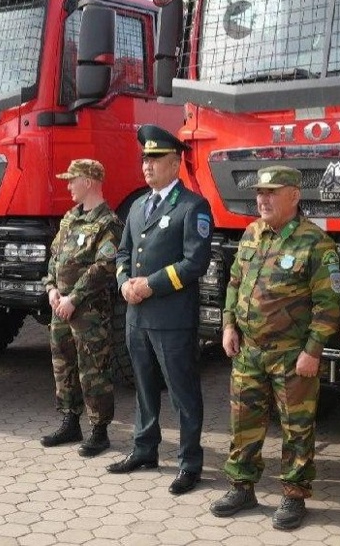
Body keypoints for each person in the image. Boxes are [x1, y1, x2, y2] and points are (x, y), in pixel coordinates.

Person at [209, 165, 340, 531]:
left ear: (294, 196)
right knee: (243, 423)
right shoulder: (252, 234)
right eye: (259, 193)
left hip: (291, 355)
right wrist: (228, 324)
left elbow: (328, 305)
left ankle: (294, 494)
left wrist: (312, 350)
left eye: (272, 192)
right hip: (248, 352)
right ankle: (241, 487)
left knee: (296, 428)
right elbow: (234, 283)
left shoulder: (316, 243)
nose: (263, 199)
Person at [108, 125, 213, 496]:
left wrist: (151, 283)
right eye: (145, 159)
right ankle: (144, 448)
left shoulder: (192, 206)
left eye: (155, 159)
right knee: (143, 387)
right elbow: (123, 252)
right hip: (136, 316)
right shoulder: (138, 205)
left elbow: (194, 262)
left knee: (183, 392)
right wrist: (123, 282)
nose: (147, 166)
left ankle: (189, 463)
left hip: (171, 318)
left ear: (176, 162)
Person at [40, 159, 122, 457]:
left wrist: (73, 298)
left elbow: (104, 266)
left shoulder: (107, 223)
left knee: (93, 369)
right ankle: (69, 421)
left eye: (72, 179)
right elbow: (54, 257)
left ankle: (99, 431)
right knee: (64, 364)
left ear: (88, 181)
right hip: (60, 307)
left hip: (87, 312)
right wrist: (50, 288)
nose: (68, 185)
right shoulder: (69, 218)